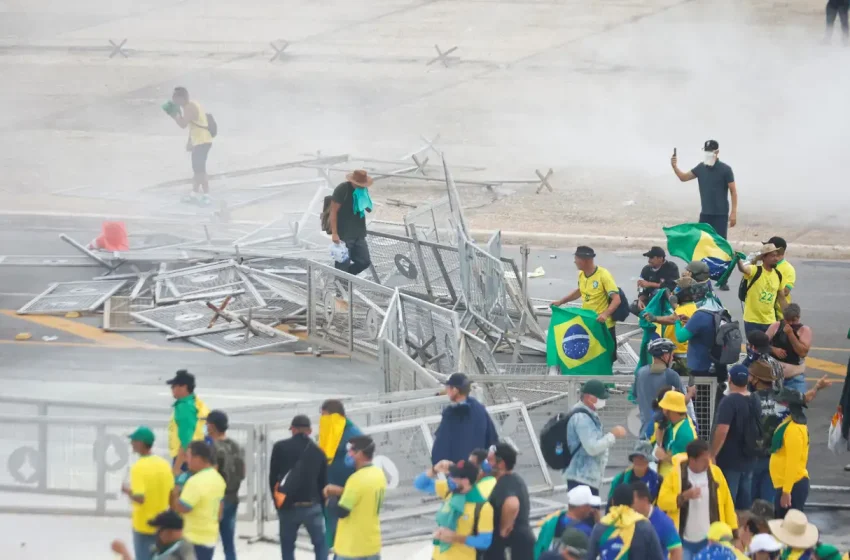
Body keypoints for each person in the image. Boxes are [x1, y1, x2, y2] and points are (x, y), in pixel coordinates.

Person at [747, 362, 830, 504]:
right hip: (777, 458)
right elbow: (806, 398)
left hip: (753, 458)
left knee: (751, 503)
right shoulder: (785, 395)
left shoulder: (750, 399)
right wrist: (817, 387)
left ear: (756, 379)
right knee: (770, 503)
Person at [657, 440, 737, 560]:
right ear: (692, 460)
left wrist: (733, 530)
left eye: (708, 459)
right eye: (704, 460)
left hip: (711, 540)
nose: (708, 463)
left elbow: (728, 503)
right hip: (683, 540)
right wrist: (683, 497)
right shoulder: (675, 475)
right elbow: (662, 502)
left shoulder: (715, 473)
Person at [268, 414, 328, 560]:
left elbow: (273, 478)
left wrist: (278, 503)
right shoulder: (319, 452)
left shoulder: (280, 447)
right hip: (312, 506)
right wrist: (321, 506)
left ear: (293, 429)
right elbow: (323, 484)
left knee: (287, 546)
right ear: (309, 431)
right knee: (320, 545)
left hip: (288, 506)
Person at [551, 246, 621, 361]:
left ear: (585, 260)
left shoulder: (604, 275)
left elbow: (616, 299)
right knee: (591, 356)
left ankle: (607, 377)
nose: (574, 261)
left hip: (603, 325)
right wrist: (561, 302)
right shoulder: (581, 275)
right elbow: (579, 291)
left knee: (607, 357)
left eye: (577, 258)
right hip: (588, 323)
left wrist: (605, 314)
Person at [323, 436, 387, 560]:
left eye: (351, 450)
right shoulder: (379, 474)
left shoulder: (355, 480)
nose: (349, 454)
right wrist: (342, 491)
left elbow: (342, 511)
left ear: (361, 453)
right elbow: (363, 496)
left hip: (351, 548)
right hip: (372, 545)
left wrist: (329, 500)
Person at [563, 379, 627, 494]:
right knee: (586, 511)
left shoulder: (586, 413)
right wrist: (613, 435)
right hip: (582, 478)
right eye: (601, 398)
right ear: (589, 398)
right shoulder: (582, 418)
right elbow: (592, 448)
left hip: (583, 475)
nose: (603, 401)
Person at [421, 460, 494, 560]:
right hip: (437, 556)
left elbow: (485, 542)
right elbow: (420, 484)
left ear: (465, 481)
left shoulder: (482, 507)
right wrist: (434, 470)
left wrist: (455, 538)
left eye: (454, 477)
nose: (450, 478)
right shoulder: (449, 493)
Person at [711, 365, 760, 510]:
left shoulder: (729, 402)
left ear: (730, 379)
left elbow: (722, 430)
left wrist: (712, 454)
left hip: (730, 460)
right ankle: (742, 528)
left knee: (728, 500)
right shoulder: (754, 399)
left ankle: (729, 530)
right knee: (744, 502)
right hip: (750, 457)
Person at [670, 139, 738, 240]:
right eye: (706, 151)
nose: (708, 153)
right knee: (702, 242)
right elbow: (683, 178)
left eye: (711, 151)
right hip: (705, 214)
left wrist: (733, 213)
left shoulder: (726, 169)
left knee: (719, 243)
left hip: (720, 215)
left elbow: (733, 192)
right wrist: (675, 167)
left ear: (717, 152)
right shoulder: (700, 168)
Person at [123, 426, 174, 560]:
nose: (131, 444)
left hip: (143, 525)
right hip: (162, 525)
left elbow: (140, 498)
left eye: (133, 440)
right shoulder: (164, 464)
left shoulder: (138, 467)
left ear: (140, 443)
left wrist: (127, 491)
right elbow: (172, 494)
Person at [317, 399, 362, 548]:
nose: (323, 420)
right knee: (332, 523)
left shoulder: (352, 434)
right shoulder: (327, 433)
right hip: (329, 488)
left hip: (346, 488)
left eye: (326, 416)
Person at [170, 441, 226, 560]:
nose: (186, 461)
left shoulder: (194, 482)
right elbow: (220, 513)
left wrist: (175, 492)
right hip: (210, 537)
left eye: (188, 456)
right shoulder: (218, 479)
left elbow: (182, 508)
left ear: (198, 458)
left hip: (193, 539)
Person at [431, 373, 498, 465]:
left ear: (455, 390)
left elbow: (441, 444)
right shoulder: (480, 409)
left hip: (459, 470)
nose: (446, 391)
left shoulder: (451, 414)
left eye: (448, 388)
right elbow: (492, 438)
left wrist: (437, 465)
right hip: (478, 467)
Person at [586, 484, 665, 560]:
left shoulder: (600, 526)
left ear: (613, 502)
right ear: (632, 502)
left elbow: (589, 556)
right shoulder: (645, 526)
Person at [205, 411, 244, 560]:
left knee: (207, 542)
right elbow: (243, 472)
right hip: (233, 497)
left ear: (213, 426)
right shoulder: (237, 446)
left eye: (207, 423)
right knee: (229, 542)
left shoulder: (211, 448)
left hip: (216, 500)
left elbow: (211, 476)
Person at [486, 443, 534, 560]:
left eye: (490, 460)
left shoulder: (505, 483)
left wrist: (503, 529)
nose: (486, 464)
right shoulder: (514, 480)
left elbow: (512, 504)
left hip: (513, 546)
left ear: (501, 464)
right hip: (521, 542)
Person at [634, 337, 689, 438]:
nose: (672, 358)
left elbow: (635, 395)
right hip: (663, 431)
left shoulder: (640, 372)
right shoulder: (671, 375)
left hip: (644, 430)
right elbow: (682, 402)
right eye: (672, 355)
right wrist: (690, 394)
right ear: (665, 355)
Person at [769, 389, 810, 519]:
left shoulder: (794, 430)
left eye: (783, 402)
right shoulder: (787, 423)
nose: (779, 404)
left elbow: (793, 462)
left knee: (787, 528)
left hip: (793, 486)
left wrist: (787, 491)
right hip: (786, 484)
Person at [170, 87, 213, 205]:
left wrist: (174, 115)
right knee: (196, 169)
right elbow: (193, 125)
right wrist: (190, 141)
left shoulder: (189, 107)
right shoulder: (192, 105)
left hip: (202, 141)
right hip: (200, 140)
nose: (174, 102)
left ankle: (206, 195)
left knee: (200, 169)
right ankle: (194, 193)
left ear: (182, 98)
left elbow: (183, 124)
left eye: (176, 99)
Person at [534, 485, 599, 558]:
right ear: (582, 508)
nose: (591, 509)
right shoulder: (585, 531)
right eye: (589, 506)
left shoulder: (553, 520)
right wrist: (599, 525)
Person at [736, 243, 787, 336]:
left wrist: (787, 318)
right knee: (754, 349)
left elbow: (782, 298)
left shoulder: (778, 275)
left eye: (776, 256)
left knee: (769, 348)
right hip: (752, 320)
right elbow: (743, 269)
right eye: (772, 256)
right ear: (764, 258)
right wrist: (738, 260)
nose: (776, 259)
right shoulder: (755, 270)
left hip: (770, 321)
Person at [330, 169, 373, 276]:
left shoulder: (363, 190)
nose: (362, 186)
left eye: (363, 184)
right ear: (353, 181)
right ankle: (341, 289)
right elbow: (333, 211)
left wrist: (363, 199)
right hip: (344, 234)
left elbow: (368, 208)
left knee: (364, 261)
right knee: (343, 264)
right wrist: (334, 233)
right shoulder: (342, 189)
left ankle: (345, 279)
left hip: (359, 233)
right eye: (360, 184)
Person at [167, 370, 210, 476]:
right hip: (198, 455)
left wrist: (176, 468)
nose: (172, 389)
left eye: (174, 386)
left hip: (185, 460)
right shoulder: (196, 403)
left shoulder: (184, 407)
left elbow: (186, 440)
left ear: (183, 387)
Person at [112, 510, 197, 560]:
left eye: (159, 530)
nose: (156, 533)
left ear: (171, 532)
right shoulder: (164, 549)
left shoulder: (179, 555)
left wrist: (125, 553)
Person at [765, 304, 812, 394]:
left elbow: (802, 353)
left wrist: (791, 334)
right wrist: (773, 349)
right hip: (774, 378)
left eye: (793, 320)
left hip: (794, 379)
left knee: (796, 406)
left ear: (798, 317)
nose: (790, 323)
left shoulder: (804, 330)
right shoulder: (776, 326)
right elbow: (761, 344)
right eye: (787, 320)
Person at [632, 480, 683, 560]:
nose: (630, 505)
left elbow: (676, 549)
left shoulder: (663, 522)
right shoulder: (629, 518)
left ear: (645, 500)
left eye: (632, 501)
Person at [655, 391, 697, 478]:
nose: (663, 411)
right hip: (668, 479)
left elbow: (684, 462)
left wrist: (663, 456)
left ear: (671, 410)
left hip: (676, 482)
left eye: (665, 408)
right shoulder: (674, 423)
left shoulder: (684, 433)